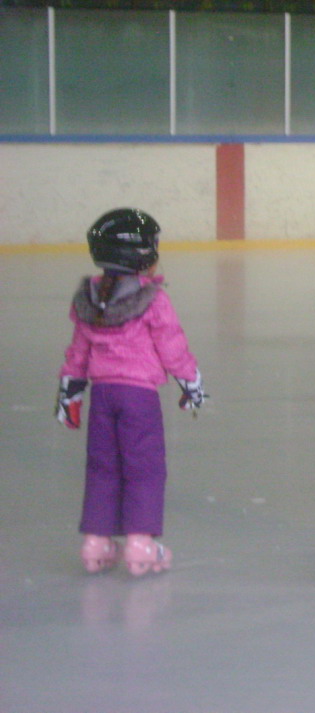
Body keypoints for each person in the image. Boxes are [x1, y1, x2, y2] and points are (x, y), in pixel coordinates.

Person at [56, 208, 207, 577]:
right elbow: (172, 346)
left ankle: (96, 541)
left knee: (102, 468)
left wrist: (70, 393)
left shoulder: (89, 297)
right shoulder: (152, 299)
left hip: (102, 397)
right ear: (142, 254)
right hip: (139, 399)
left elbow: (78, 351)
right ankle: (140, 543)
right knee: (144, 468)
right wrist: (190, 382)